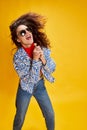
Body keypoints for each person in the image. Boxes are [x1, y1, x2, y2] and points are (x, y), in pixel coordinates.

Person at [9, 12, 56, 130]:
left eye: (28, 29)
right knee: (20, 116)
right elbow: (31, 79)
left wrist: (43, 59)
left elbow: (52, 68)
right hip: (25, 88)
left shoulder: (42, 48)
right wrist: (35, 60)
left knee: (50, 114)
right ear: (18, 39)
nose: (27, 33)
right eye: (22, 33)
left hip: (40, 86)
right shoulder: (18, 57)